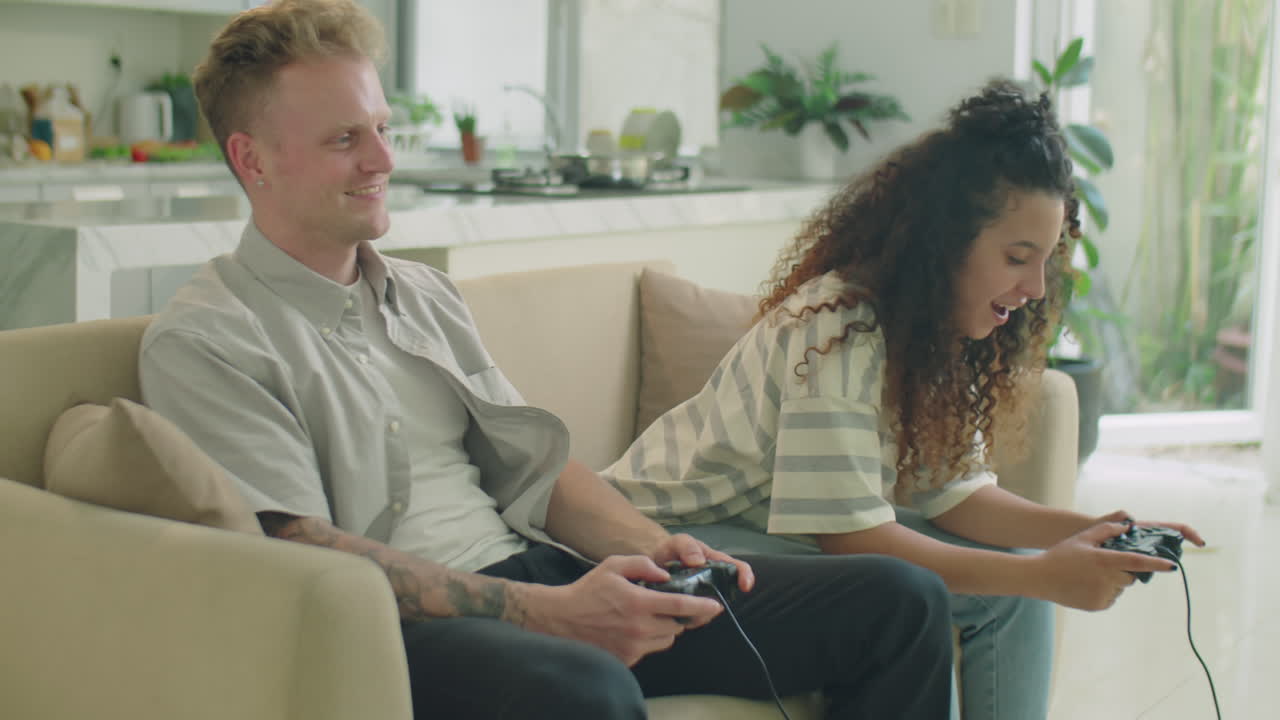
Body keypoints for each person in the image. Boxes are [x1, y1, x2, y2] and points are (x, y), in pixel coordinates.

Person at [137, 1, 955, 718]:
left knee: (900, 601)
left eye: (382, 129)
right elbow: (303, 552)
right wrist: (546, 613)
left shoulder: (423, 294)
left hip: (534, 572)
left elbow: (533, 466)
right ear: (253, 160)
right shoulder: (208, 338)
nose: (384, 161)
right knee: (584, 691)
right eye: (345, 139)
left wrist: (657, 546)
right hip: (400, 635)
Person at [604, 79, 1206, 720]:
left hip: (767, 531)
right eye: (1016, 257)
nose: (1034, 286)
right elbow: (855, 543)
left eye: (1045, 261)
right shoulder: (836, 329)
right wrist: (1043, 575)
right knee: (972, 587)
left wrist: (1096, 531)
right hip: (666, 539)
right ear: (944, 239)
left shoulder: (939, 329)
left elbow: (958, 494)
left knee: (1016, 582)